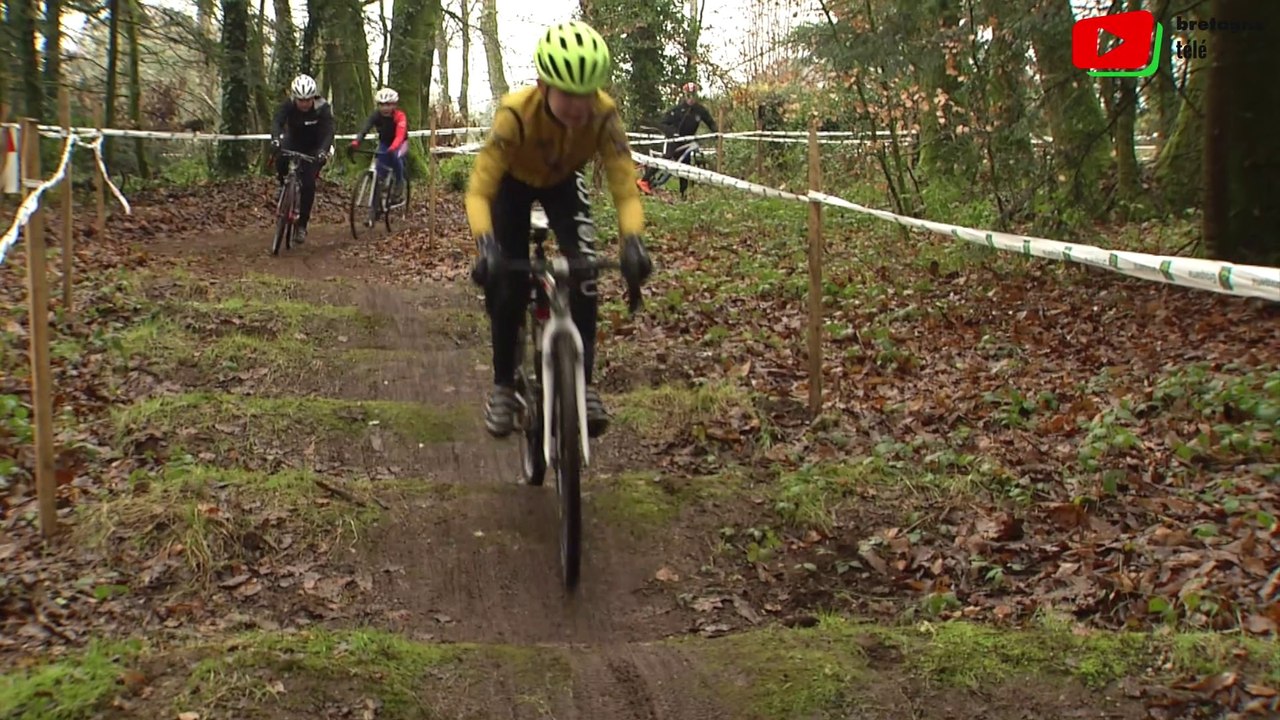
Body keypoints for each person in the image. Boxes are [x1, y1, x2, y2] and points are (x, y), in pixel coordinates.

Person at [466, 20, 653, 441]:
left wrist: (633, 241)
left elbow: (625, 188)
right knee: (508, 286)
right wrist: (486, 246)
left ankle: (582, 384)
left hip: (564, 182)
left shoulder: (604, 115)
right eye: (567, 93)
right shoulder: (516, 113)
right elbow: (479, 190)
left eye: (586, 94)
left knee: (585, 274)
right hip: (510, 187)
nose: (577, 106)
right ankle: (502, 385)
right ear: (543, 84)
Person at [270, 74, 335, 244]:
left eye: (308, 100)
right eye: (301, 100)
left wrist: (323, 151)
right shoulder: (289, 104)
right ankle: (282, 182)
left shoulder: (322, 108)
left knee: (308, 184)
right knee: (281, 156)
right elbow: (277, 121)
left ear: (314, 97)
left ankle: (302, 226)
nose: (304, 103)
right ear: (295, 97)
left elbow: (329, 132)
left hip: (314, 146)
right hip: (294, 140)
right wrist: (275, 139)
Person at [637, 81, 718, 197]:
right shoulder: (677, 110)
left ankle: (683, 195)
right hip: (674, 141)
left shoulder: (700, 110)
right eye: (688, 95)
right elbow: (663, 123)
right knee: (666, 159)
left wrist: (716, 133)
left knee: (685, 168)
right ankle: (644, 180)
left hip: (686, 142)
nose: (691, 98)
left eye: (693, 95)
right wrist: (673, 133)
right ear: (684, 95)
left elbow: (710, 122)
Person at [349, 87, 409, 206]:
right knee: (379, 173)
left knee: (396, 158)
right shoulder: (376, 115)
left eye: (388, 105)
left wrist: (393, 148)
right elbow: (365, 129)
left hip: (401, 143)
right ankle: (375, 207)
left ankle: (399, 184)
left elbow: (400, 135)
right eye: (381, 105)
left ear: (394, 105)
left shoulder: (400, 116)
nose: (385, 108)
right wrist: (356, 142)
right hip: (384, 143)